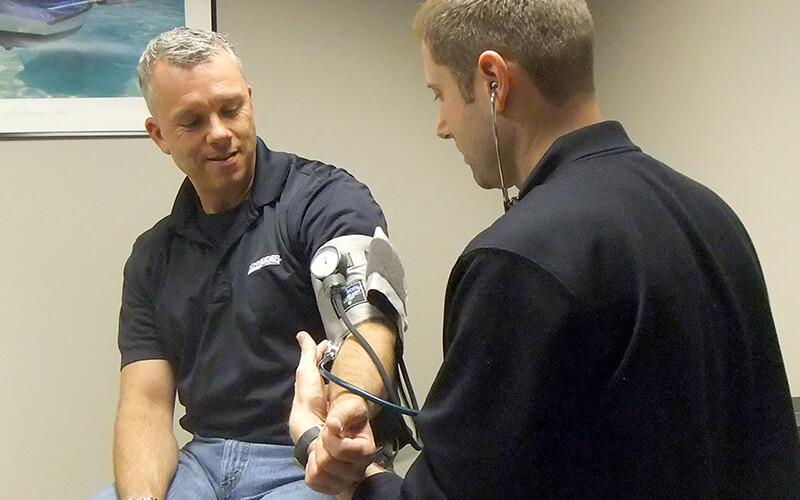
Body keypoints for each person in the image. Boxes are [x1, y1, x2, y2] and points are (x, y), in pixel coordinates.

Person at [289, 0, 800, 498]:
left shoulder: (516, 260)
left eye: (439, 94)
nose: (441, 125)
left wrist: (349, 462)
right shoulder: (711, 213)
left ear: (494, 81)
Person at [93, 27, 398, 500]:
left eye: (231, 109)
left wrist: (345, 413)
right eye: (192, 122)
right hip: (203, 462)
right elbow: (146, 404)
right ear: (159, 135)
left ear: (249, 100)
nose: (219, 133)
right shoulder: (153, 256)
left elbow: (371, 326)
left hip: (303, 455)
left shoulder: (325, 201)